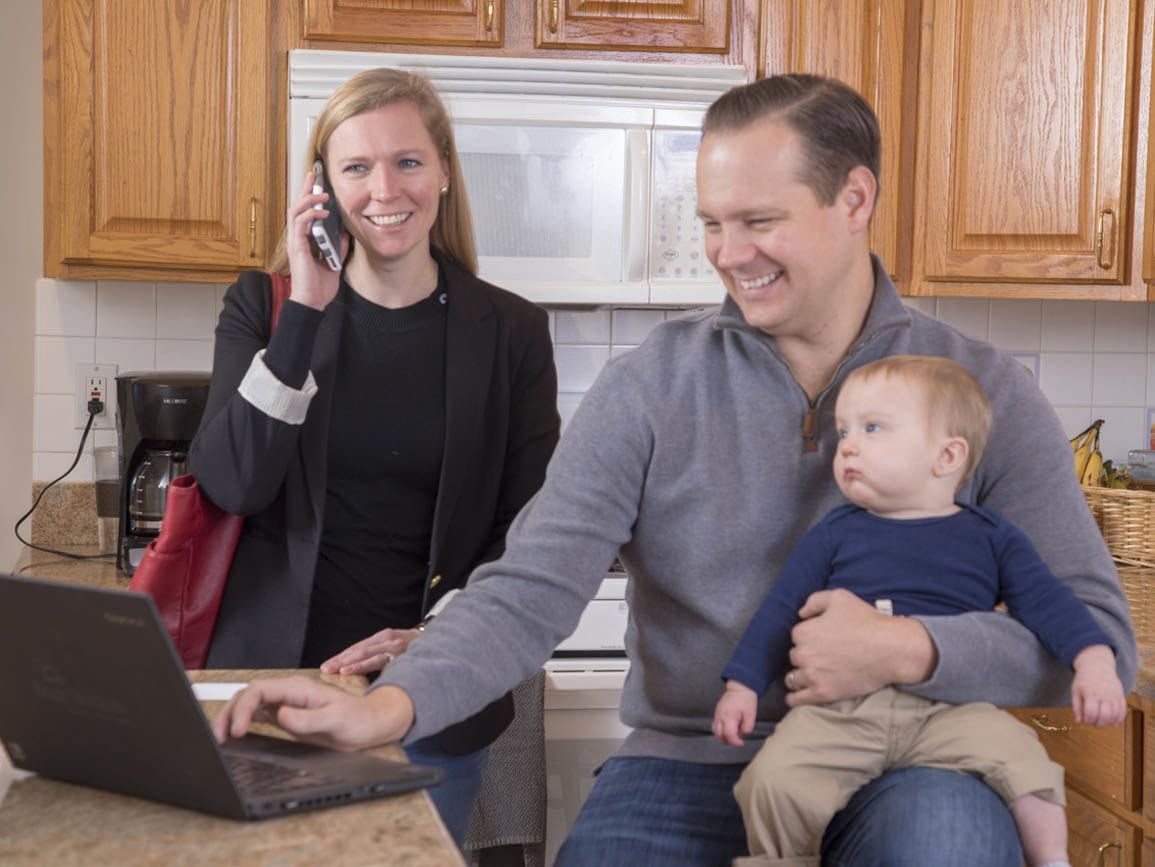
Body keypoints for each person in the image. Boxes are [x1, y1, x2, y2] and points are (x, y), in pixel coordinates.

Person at [211, 73, 1137, 866]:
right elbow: (528, 588)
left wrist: (914, 651)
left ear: (853, 200)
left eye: (760, 220)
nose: (729, 255)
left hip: (916, 756)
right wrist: (386, 710)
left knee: (943, 838)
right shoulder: (651, 383)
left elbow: (1097, 634)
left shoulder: (985, 391)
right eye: (711, 223)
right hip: (685, 762)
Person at [187, 67, 560, 846]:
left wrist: (437, 635)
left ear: (446, 172)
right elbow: (231, 484)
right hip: (269, 692)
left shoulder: (513, 333)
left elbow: (528, 530)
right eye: (355, 167)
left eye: (408, 162)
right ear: (321, 187)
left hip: (426, 698)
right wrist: (307, 315)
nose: (383, 188)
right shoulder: (265, 306)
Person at [713, 354, 1127, 867]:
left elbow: (1050, 603)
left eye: (872, 428)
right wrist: (741, 686)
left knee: (1028, 766)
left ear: (946, 455)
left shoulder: (994, 539)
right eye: (844, 431)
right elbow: (778, 613)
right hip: (841, 716)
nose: (848, 446)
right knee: (769, 782)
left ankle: (1052, 860)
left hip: (952, 710)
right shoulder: (833, 535)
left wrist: (1093, 660)